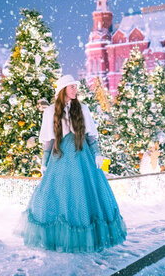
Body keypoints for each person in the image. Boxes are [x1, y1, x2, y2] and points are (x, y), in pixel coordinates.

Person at [18, 75, 127, 252]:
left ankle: (87, 236)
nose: (75, 90)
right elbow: (47, 140)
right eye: (71, 87)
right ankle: (57, 237)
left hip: (82, 157)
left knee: (84, 192)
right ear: (62, 90)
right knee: (58, 195)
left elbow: (91, 135)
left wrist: (97, 153)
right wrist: (44, 162)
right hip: (59, 158)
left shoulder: (83, 109)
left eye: (75, 87)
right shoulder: (51, 111)